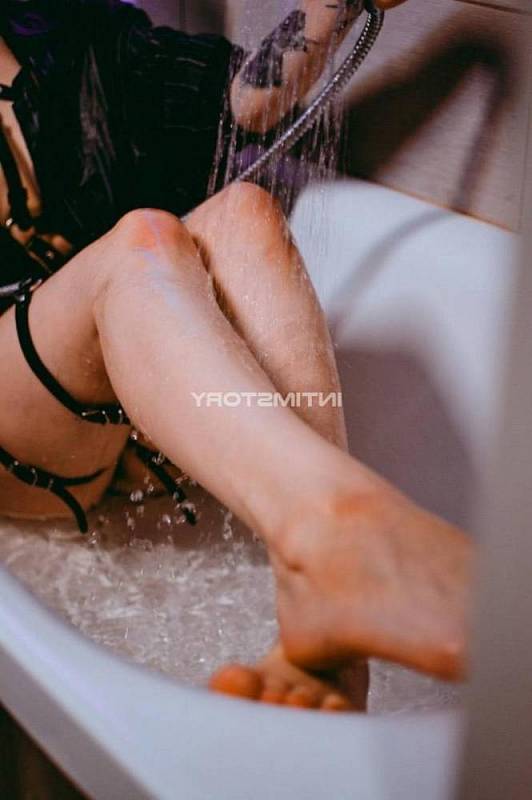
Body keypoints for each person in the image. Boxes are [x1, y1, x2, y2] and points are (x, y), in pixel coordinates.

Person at [0, 0, 472, 712]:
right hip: (18, 431)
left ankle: (317, 616)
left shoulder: (80, 45)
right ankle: (338, 532)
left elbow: (245, 104)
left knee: (247, 214)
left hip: (123, 406)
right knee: (144, 240)